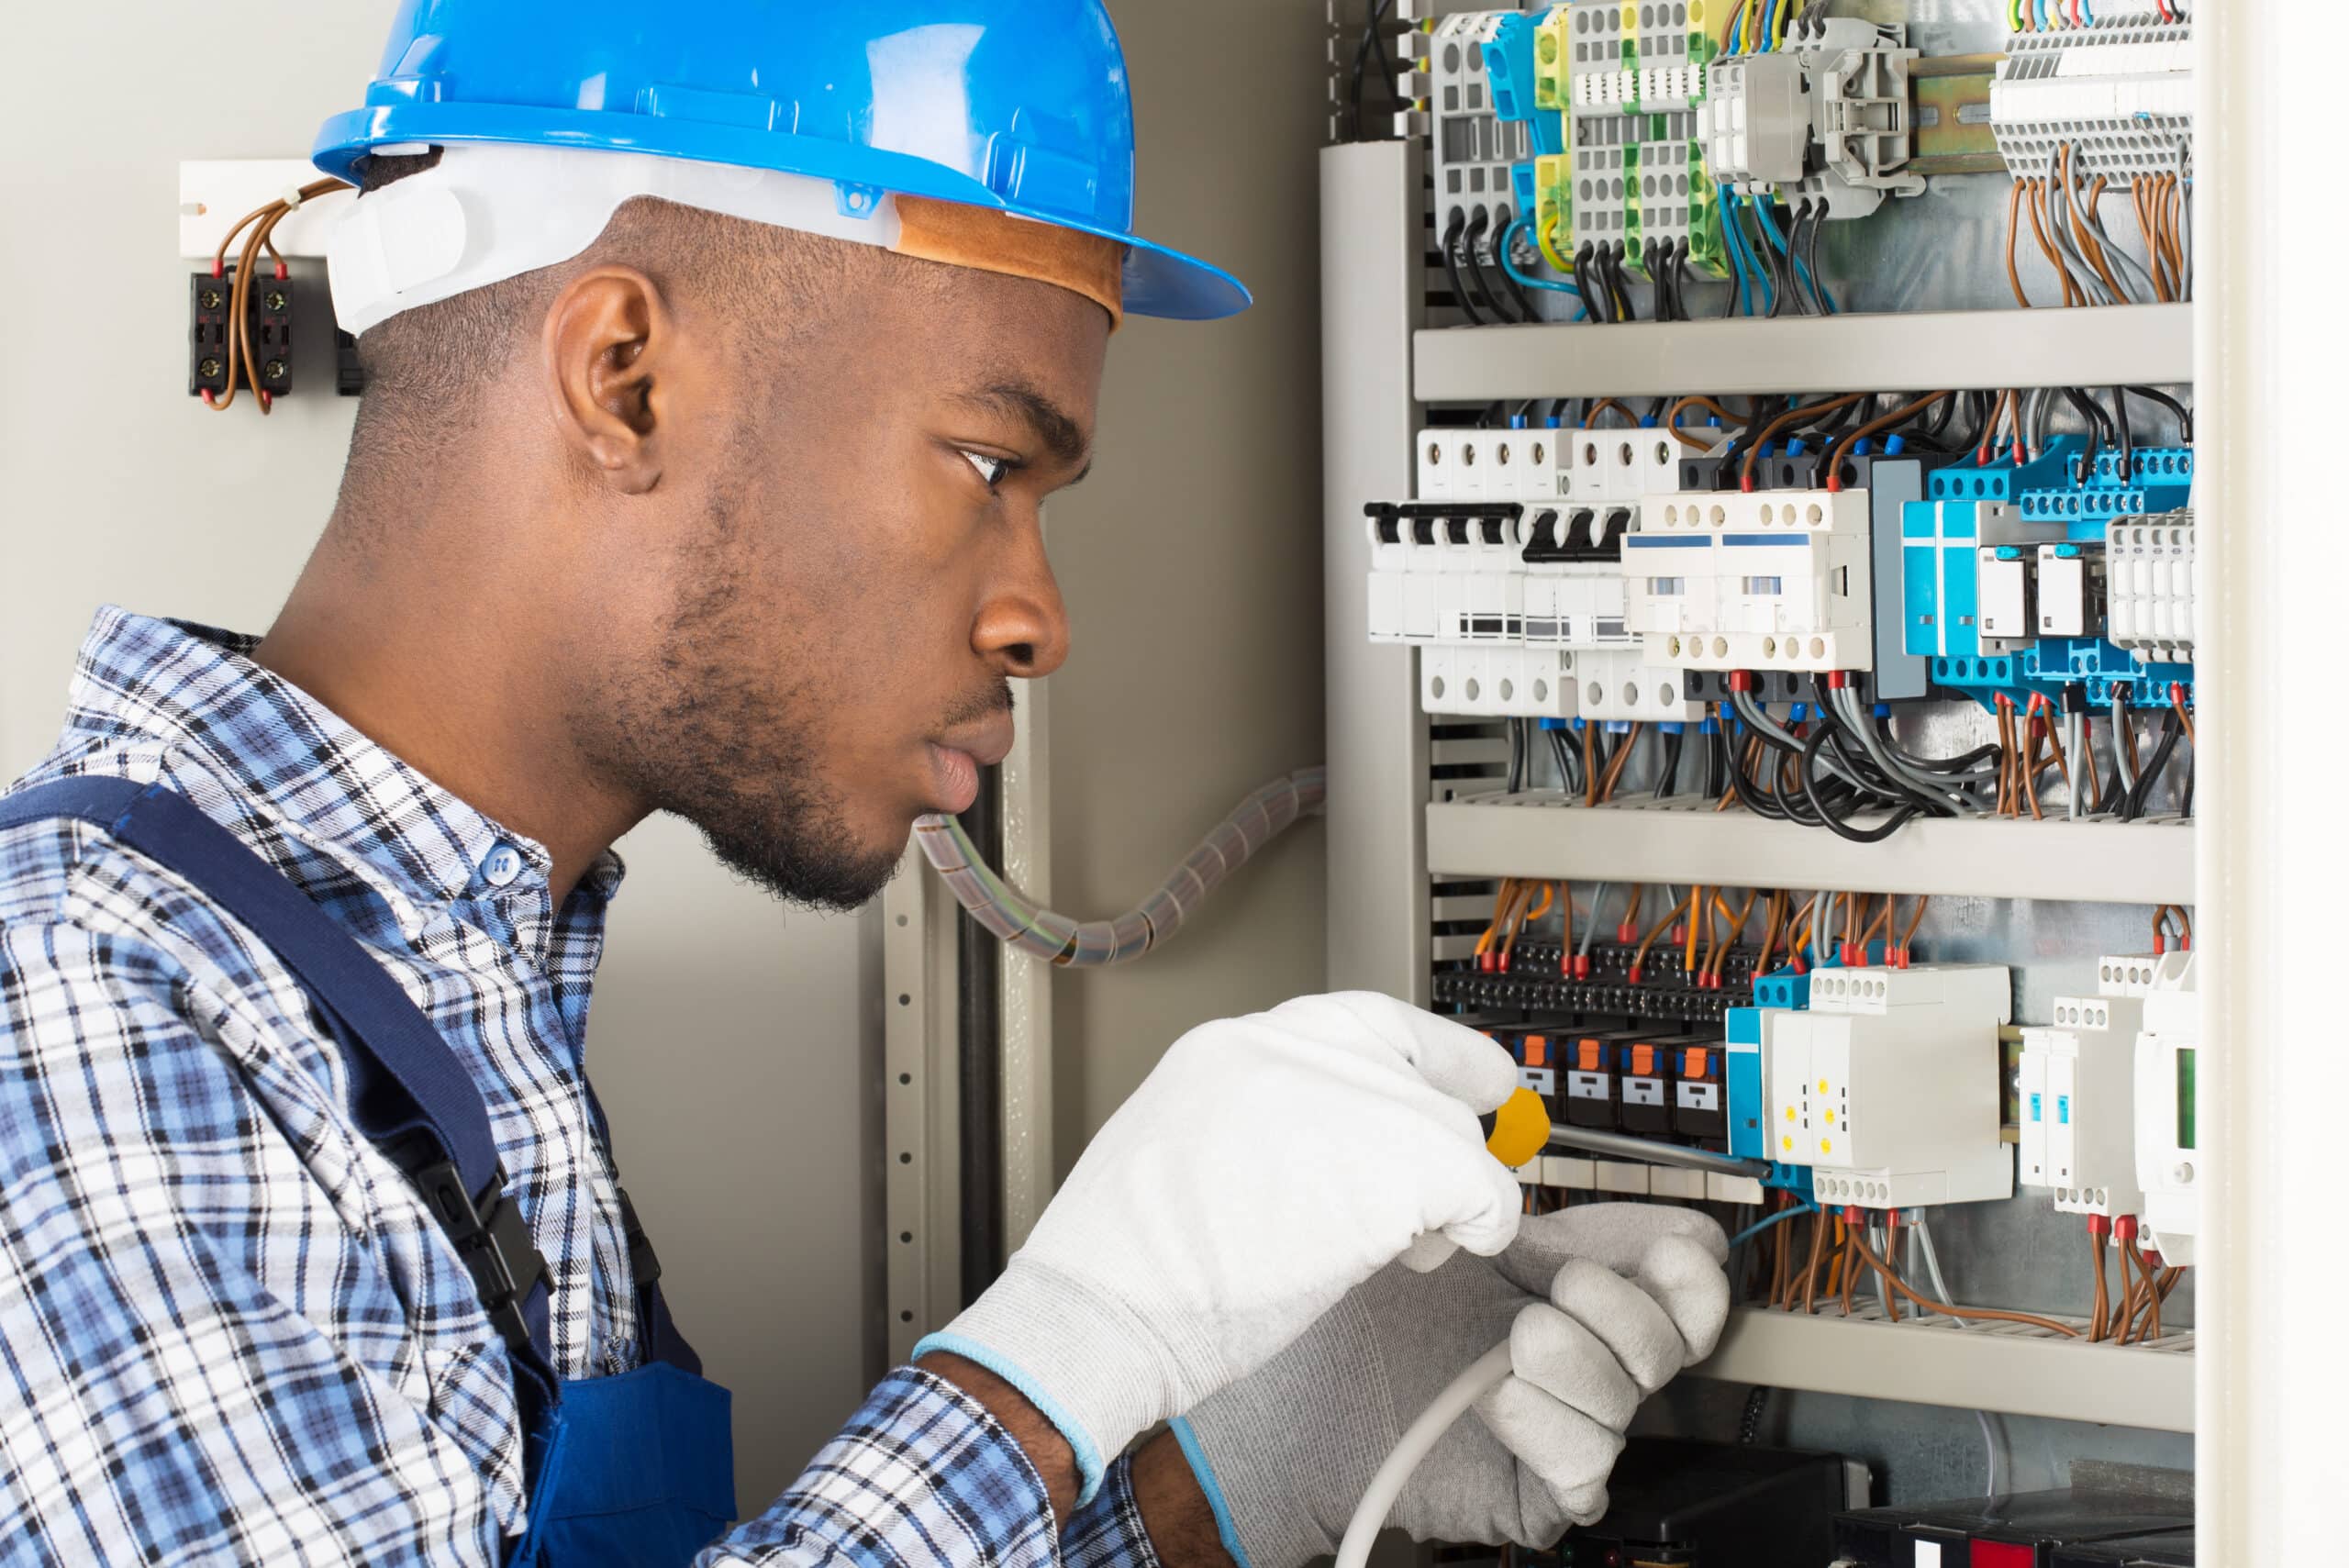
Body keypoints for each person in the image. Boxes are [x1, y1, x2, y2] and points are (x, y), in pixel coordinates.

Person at [0, 4, 1729, 1564]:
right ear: (626, 375)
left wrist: (1249, 1460)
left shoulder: (443, 993)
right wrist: (1074, 1341)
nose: (1038, 616)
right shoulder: (81, 1005)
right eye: (987, 461)